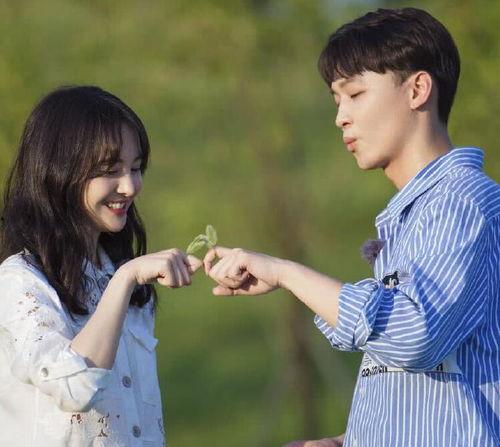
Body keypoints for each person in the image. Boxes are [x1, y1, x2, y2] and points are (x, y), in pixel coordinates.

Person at [203, 7, 500, 447]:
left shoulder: (460, 202)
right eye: (336, 100)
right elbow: (428, 386)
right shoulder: (417, 216)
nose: (341, 117)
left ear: (418, 89)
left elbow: (413, 338)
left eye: (356, 94)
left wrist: (286, 273)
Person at [0, 86, 201, 446]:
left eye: (136, 168)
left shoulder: (120, 277)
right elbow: (74, 386)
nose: (130, 186)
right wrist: (126, 279)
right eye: (111, 170)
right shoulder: (21, 283)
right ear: (59, 172)